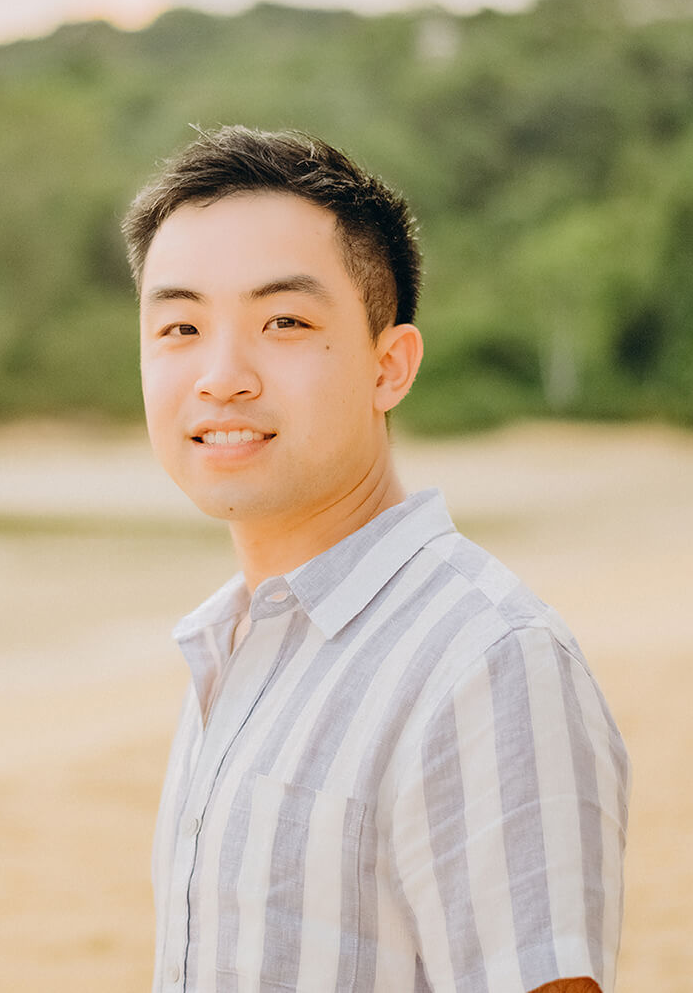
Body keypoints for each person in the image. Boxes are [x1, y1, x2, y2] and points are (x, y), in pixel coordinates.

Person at [123, 126, 629, 993]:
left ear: (389, 366)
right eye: (180, 326)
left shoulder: (486, 663)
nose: (221, 374)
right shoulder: (231, 645)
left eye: (284, 320)